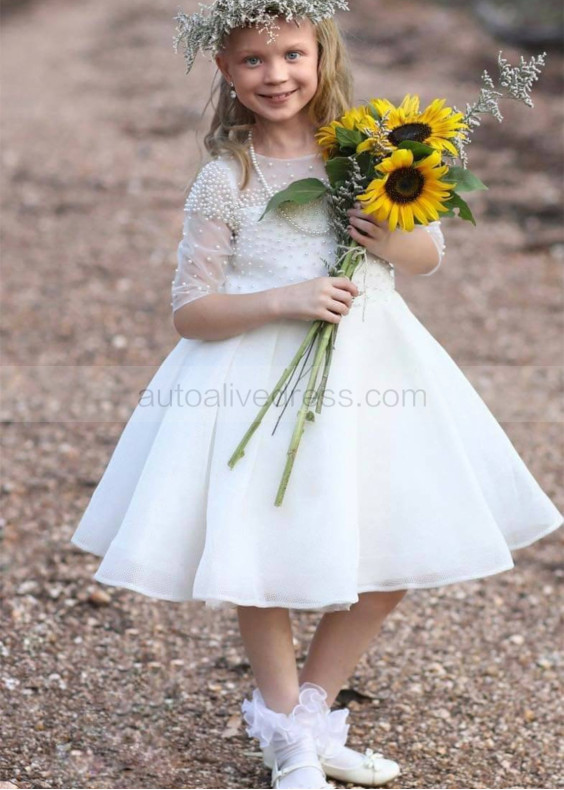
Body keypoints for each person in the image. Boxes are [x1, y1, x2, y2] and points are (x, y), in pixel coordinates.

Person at [70, 2, 564, 788]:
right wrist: (285, 298)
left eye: (292, 55)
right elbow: (189, 312)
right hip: (257, 376)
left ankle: (306, 717)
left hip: (375, 368)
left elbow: (426, 254)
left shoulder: (368, 152)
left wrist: (382, 231)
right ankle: (289, 739)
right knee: (259, 548)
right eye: (254, 62)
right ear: (227, 72)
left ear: (321, 55)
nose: (277, 75)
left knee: (394, 545)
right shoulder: (226, 178)